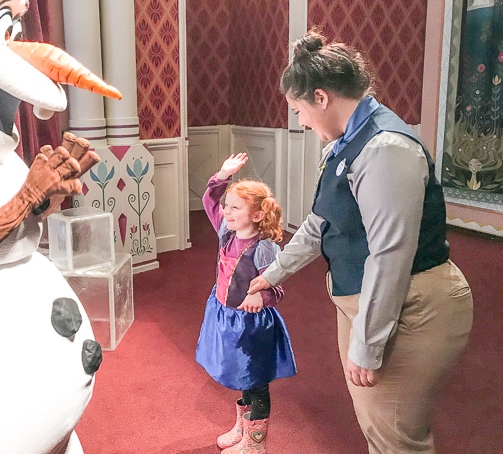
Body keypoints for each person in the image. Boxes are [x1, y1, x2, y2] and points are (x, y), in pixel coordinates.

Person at [248, 30, 473, 453]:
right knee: (377, 428)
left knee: (396, 439)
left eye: (297, 110)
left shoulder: (385, 147)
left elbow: (390, 256)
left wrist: (367, 347)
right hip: (365, 301)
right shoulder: (346, 142)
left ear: (321, 97)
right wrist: (273, 272)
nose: (299, 121)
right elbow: (320, 224)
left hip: (413, 308)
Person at [196, 153, 296, 454]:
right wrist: (222, 175)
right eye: (226, 206)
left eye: (235, 208)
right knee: (242, 376)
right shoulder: (226, 233)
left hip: (252, 328)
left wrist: (260, 294)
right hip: (227, 320)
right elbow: (209, 201)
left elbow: (277, 290)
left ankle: (256, 444)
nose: (226, 211)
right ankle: (242, 429)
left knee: (256, 383)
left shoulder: (264, 249)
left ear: (256, 215)